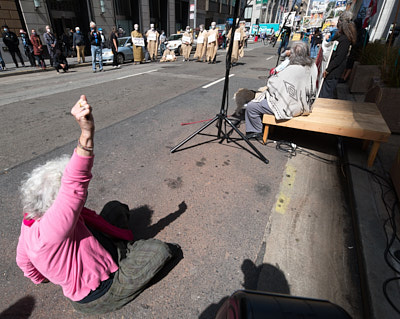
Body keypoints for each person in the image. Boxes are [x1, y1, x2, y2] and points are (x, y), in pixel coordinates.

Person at [16, 94, 176, 314]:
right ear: (57, 205)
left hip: (90, 252)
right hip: (99, 291)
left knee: (115, 207)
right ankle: (124, 254)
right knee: (162, 251)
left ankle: (118, 248)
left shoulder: (29, 223)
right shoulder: (52, 230)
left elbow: (24, 264)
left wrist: (47, 274)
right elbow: (75, 182)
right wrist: (86, 132)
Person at [242, 42, 317, 139]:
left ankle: (255, 131)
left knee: (252, 106)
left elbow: (272, 83)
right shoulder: (312, 66)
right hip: (306, 103)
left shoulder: (292, 69)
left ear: (293, 54)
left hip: (291, 107)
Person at [319, 11, 356, 99]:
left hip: (333, 72)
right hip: (331, 70)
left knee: (326, 95)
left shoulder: (345, 40)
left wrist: (328, 70)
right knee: (324, 92)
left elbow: (339, 57)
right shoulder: (340, 36)